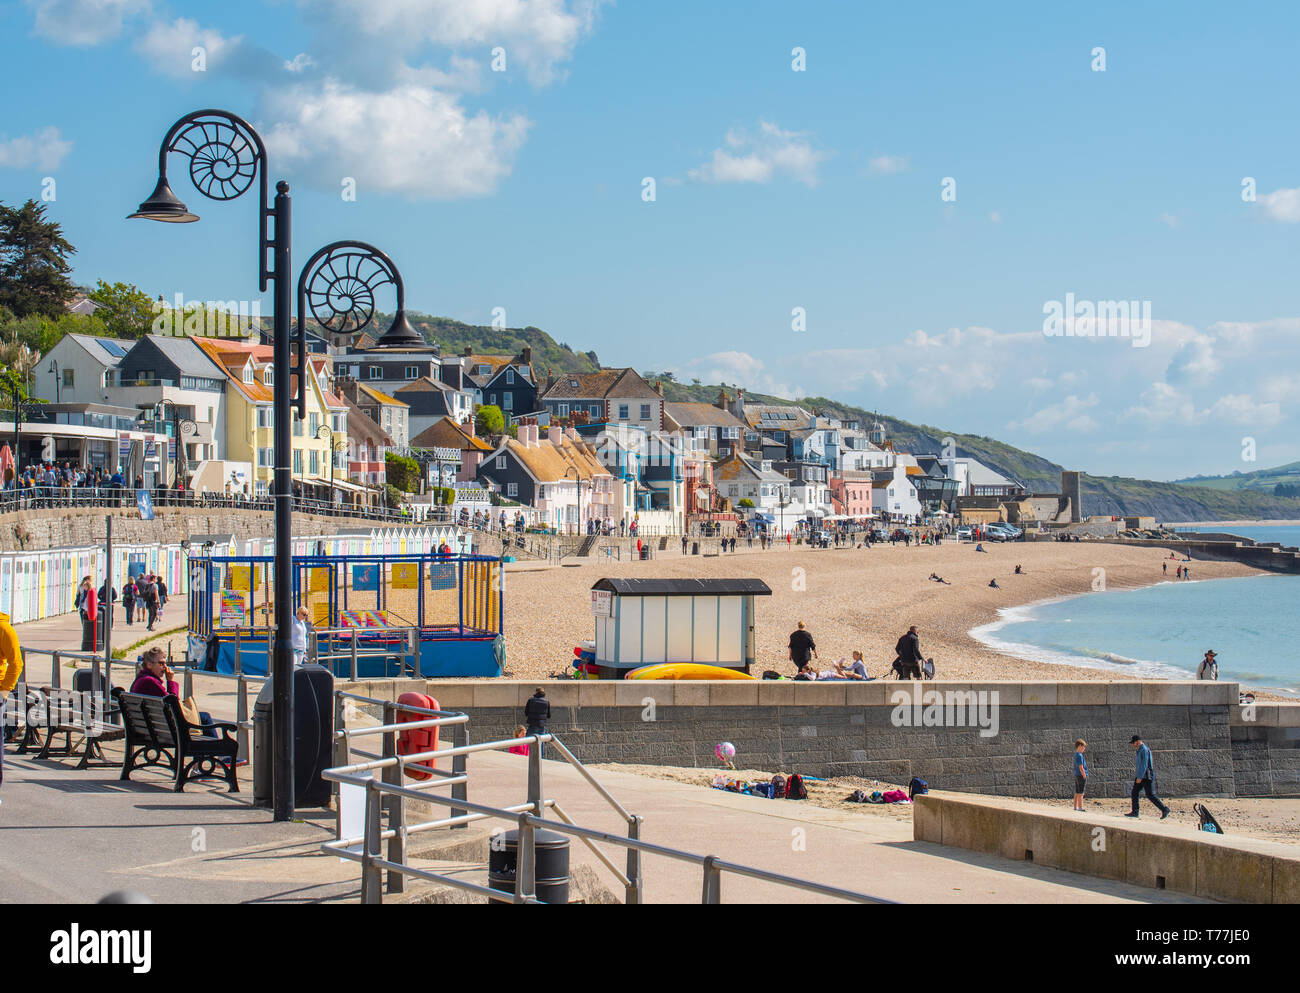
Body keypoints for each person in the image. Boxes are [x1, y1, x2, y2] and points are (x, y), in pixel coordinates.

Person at [1125, 734, 1170, 820]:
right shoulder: (1140, 750)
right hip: (1141, 776)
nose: (1133, 745)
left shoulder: (1144, 750)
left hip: (1146, 776)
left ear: (1138, 742)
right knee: (1134, 792)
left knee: (1150, 795)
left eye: (1133, 743)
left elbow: (1144, 765)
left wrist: (1140, 777)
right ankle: (1135, 812)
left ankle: (1165, 809)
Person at [524, 688, 550, 759]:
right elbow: (548, 715)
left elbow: (526, 712)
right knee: (541, 742)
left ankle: (526, 756)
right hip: (541, 724)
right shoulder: (546, 702)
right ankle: (540, 758)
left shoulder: (531, 700)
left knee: (527, 741)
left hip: (532, 724)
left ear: (536, 692)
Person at [75, 576, 98, 651]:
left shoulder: (82, 588)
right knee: (88, 625)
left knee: (85, 624)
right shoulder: (90, 590)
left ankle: (87, 637)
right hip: (86, 609)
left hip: (83, 609)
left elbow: (78, 595)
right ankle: (87, 638)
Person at [1072, 739, 1089, 811]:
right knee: (1081, 792)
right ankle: (1080, 807)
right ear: (1079, 746)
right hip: (1080, 775)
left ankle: (1075, 807)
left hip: (1076, 774)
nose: (1084, 749)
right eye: (1083, 747)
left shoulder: (1076, 755)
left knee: (1077, 791)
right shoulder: (1079, 755)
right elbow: (1081, 767)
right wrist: (1084, 775)